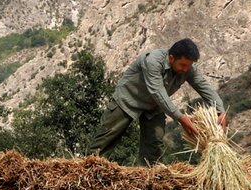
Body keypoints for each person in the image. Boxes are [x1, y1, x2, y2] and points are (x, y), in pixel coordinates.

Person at [88, 38, 227, 166]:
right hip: (129, 99)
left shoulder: (188, 69)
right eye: (183, 65)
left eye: (188, 66)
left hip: (154, 107)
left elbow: (204, 87)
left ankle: (145, 179)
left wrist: (220, 110)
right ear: (171, 58)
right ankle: (89, 170)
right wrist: (181, 118)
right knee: (106, 138)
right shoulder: (153, 61)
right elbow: (157, 92)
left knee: (154, 148)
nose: (185, 69)